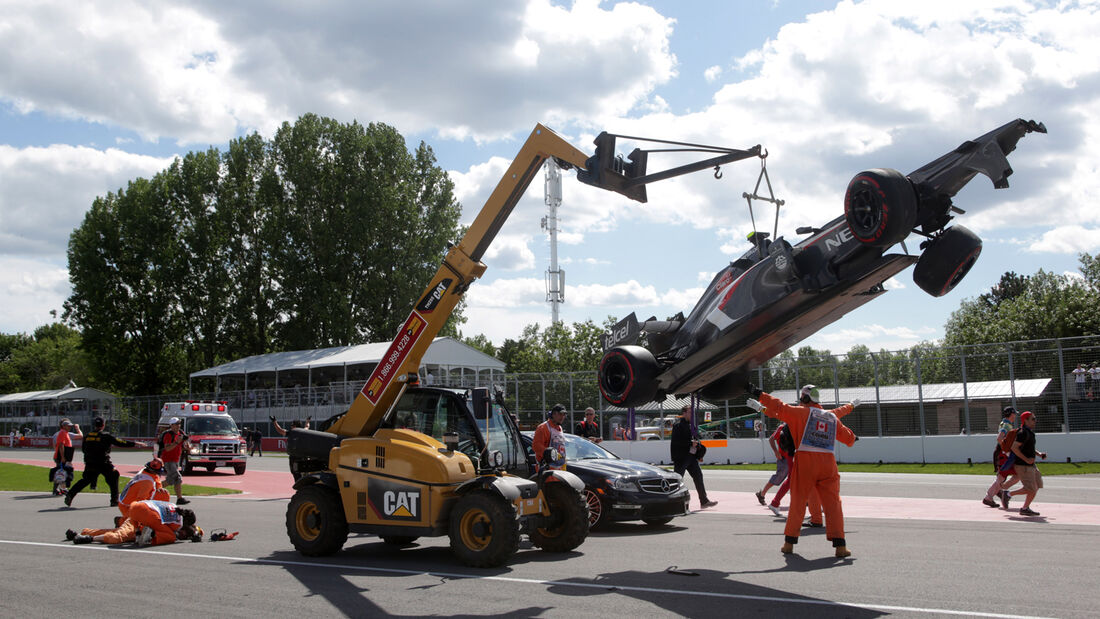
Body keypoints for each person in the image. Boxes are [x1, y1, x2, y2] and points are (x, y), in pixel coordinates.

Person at [747, 383, 858, 558]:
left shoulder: (801, 413)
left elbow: (779, 407)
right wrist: (853, 437)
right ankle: (840, 546)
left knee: (798, 502)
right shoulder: (830, 416)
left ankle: (789, 543)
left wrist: (758, 393)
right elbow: (848, 438)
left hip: (806, 461)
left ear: (805, 398)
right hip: (828, 463)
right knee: (833, 504)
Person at [69, 459, 169, 544]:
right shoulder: (147, 483)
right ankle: (88, 535)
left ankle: (118, 522)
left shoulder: (146, 472)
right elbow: (139, 503)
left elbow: (156, 481)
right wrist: (140, 521)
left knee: (163, 493)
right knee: (126, 534)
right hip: (132, 508)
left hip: (129, 505)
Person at [65, 416, 148, 507]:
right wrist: (135, 443)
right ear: (103, 425)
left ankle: (70, 494)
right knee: (114, 475)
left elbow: (84, 450)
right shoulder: (106, 436)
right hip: (103, 462)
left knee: (86, 480)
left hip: (90, 462)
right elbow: (120, 442)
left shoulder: (87, 436)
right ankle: (114, 500)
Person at [68, 499, 198, 546]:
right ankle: (89, 538)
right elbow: (172, 533)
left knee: (120, 533)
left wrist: (136, 532)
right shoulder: (177, 523)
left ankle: (84, 532)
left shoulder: (176, 509)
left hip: (137, 510)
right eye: (183, 534)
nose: (181, 536)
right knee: (117, 537)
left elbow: (196, 528)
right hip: (146, 517)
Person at [670, 405, 717, 509]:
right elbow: (676, 442)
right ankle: (672, 503)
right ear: (684, 413)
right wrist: (690, 443)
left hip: (691, 457)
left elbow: (697, 438)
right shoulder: (678, 425)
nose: (692, 414)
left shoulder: (692, 425)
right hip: (681, 457)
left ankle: (704, 501)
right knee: (677, 480)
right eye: (690, 412)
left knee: (698, 477)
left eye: (692, 412)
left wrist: (698, 445)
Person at [1006, 411, 1046, 516]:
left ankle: (1011, 496)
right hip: (1023, 465)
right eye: (1032, 419)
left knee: (1036, 485)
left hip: (1030, 465)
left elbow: (1029, 448)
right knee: (1031, 488)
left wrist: (1039, 454)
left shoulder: (1030, 432)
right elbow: (1014, 447)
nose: (1035, 421)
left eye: (1035, 418)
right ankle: (1022, 506)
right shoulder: (1022, 433)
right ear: (1026, 420)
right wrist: (1026, 459)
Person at [982, 407, 1019, 508]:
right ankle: (993, 495)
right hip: (1003, 455)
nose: (1015, 415)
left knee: (1002, 477)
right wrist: (1006, 451)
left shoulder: (1005, 423)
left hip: (1002, 454)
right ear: (1011, 414)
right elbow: (999, 438)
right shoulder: (1007, 425)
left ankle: (994, 493)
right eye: (1014, 414)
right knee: (1008, 476)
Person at [155, 417, 190, 505]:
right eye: (176, 424)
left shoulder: (181, 433)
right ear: (171, 425)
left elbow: (183, 445)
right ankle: (154, 489)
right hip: (168, 460)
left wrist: (186, 447)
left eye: (179, 424)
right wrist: (177, 442)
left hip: (175, 459)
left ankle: (179, 498)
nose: (178, 426)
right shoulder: (168, 435)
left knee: (173, 480)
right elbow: (167, 448)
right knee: (176, 478)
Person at [532, 404, 568, 472]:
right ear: (553, 414)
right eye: (560, 414)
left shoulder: (559, 428)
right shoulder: (543, 428)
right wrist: (552, 454)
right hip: (547, 470)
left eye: (564, 415)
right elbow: (536, 446)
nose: (563, 417)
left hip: (560, 470)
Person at [51, 419, 82, 496]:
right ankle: (57, 490)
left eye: (70, 426)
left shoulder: (62, 433)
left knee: (62, 473)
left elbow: (56, 446)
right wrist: (62, 457)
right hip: (62, 457)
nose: (70, 427)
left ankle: (61, 489)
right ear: (63, 426)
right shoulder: (63, 433)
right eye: (68, 426)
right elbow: (61, 445)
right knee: (61, 473)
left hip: (62, 456)